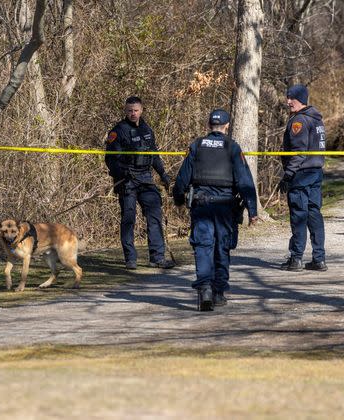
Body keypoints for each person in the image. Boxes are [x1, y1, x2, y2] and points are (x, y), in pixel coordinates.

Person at [173, 109, 259, 311]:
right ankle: (219, 292)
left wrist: (178, 199)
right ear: (227, 125)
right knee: (222, 247)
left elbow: (182, 178)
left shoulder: (197, 145)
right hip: (225, 207)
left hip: (201, 205)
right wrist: (252, 210)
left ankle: (205, 289)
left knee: (203, 247)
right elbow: (245, 182)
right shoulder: (232, 147)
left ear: (208, 125)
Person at [105, 96, 175, 270]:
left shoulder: (147, 130)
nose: (133, 114)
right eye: (129, 110)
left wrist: (163, 174)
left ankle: (157, 258)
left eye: (136, 110)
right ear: (125, 111)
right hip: (127, 180)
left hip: (145, 178)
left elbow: (154, 156)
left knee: (154, 216)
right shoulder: (118, 131)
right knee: (129, 218)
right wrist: (122, 173)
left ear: (141, 110)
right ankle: (130, 259)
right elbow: (110, 160)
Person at [278, 84, 327, 272]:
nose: (288, 101)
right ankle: (319, 259)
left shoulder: (299, 121)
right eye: (287, 97)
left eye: (292, 98)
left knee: (299, 215)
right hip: (315, 173)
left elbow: (298, 153)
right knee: (315, 215)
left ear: (301, 99)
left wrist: (288, 175)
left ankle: (296, 259)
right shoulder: (317, 119)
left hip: (301, 175)